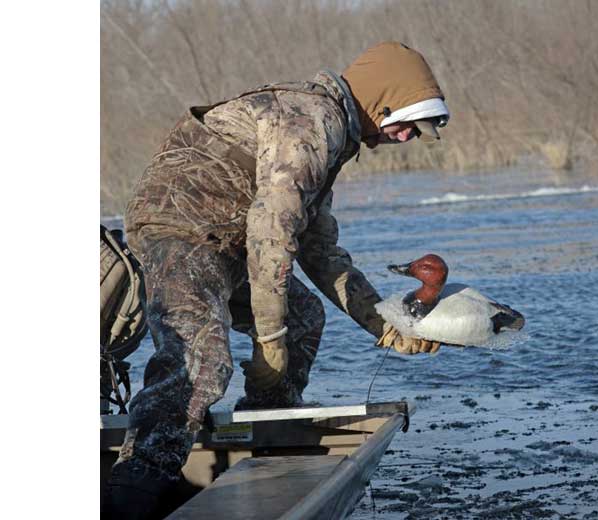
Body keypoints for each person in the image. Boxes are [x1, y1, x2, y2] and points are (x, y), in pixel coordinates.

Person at [103, 41, 450, 518]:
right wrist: (269, 338)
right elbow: (273, 232)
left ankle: (262, 437)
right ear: (379, 101)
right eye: (409, 123)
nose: (410, 136)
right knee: (201, 358)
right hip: (179, 229)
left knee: (304, 316)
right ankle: (135, 488)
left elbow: (321, 251)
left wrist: (386, 325)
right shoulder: (311, 121)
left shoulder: (330, 139)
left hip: (227, 238)